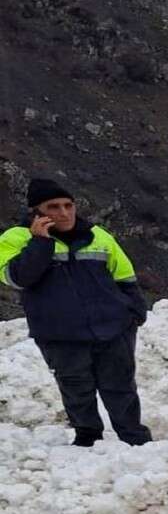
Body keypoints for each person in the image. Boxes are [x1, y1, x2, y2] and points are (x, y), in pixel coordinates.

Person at [0, 178, 153, 447]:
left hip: (113, 328)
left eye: (68, 205)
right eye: (53, 207)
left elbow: (125, 276)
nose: (64, 212)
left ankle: (134, 439)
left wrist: (133, 314)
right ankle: (87, 439)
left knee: (121, 387)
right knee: (76, 389)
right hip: (60, 334)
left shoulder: (98, 236)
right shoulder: (14, 239)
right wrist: (40, 242)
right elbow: (19, 277)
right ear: (36, 212)